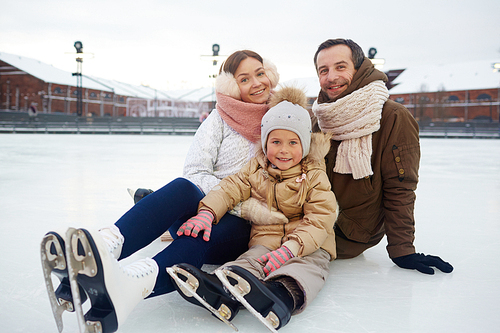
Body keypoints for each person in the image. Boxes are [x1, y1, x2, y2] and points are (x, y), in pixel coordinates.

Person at [40, 50, 282, 333]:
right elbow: (194, 171)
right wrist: (210, 205)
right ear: (231, 86)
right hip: (204, 206)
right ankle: (105, 249)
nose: (256, 83)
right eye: (244, 78)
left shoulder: (281, 119)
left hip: (241, 223)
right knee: (182, 188)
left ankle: (132, 283)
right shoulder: (219, 119)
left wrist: (225, 206)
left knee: (198, 235)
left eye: (260, 73)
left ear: (271, 74)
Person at [168, 86, 337, 331]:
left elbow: (321, 218)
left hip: (309, 244)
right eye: (276, 141)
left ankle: (280, 296)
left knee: (307, 268)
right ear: (265, 141)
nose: (284, 150)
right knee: (247, 262)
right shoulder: (256, 169)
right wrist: (207, 212)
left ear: (305, 144)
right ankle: (222, 291)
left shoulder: (314, 175)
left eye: (293, 142)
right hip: (266, 241)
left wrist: (291, 248)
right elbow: (229, 189)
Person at [311, 38, 453, 275]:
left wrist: (402, 248)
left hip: (350, 231)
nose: (330, 77)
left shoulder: (392, 116)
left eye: (340, 67)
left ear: (359, 69)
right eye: (323, 70)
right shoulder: (320, 117)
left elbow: (400, 188)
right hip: (312, 219)